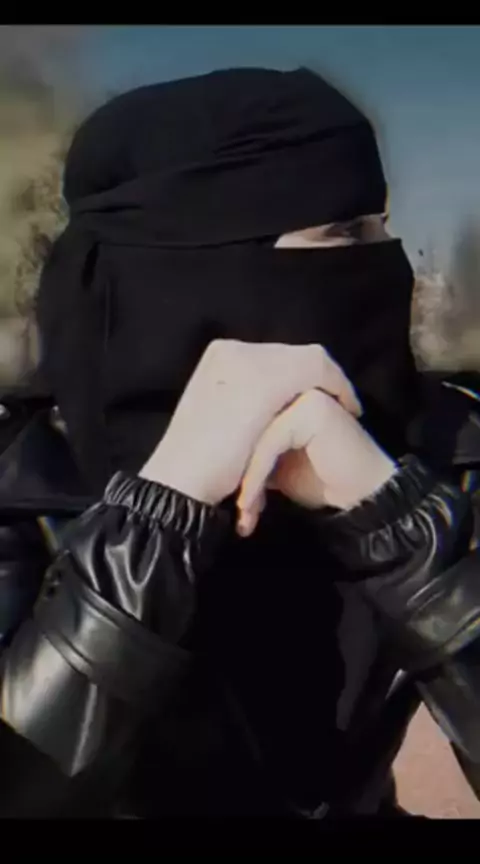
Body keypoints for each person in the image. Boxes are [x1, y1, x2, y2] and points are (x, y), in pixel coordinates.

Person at [0, 67, 480, 819]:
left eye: (379, 226)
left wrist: (402, 530)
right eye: (345, 233)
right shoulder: (21, 483)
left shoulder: (448, 451)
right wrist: (157, 516)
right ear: (199, 265)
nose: (391, 263)